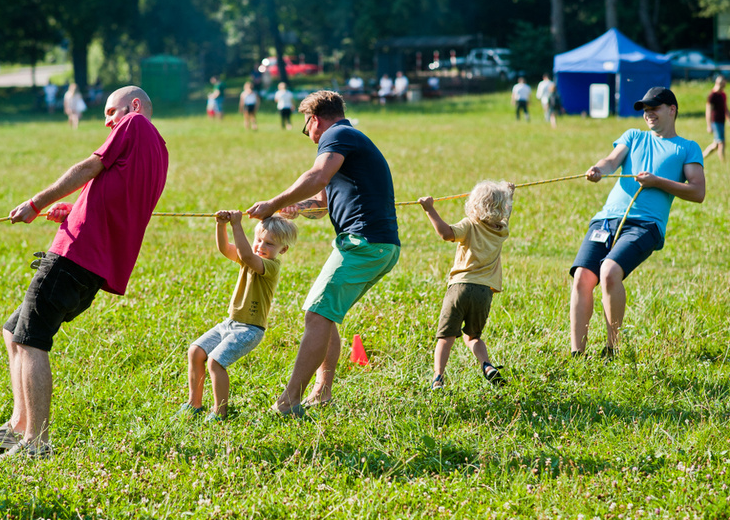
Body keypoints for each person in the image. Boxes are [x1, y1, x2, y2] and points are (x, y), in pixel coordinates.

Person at [0, 86, 169, 459]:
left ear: (135, 105)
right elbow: (118, 195)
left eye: (112, 111)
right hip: (94, 266)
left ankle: (37, 442)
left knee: (32, 339)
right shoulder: (159, 150)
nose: (108, 120)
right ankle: (17, 427)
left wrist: (36, 202)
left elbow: (89, 167)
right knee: (14, 332)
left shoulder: (136, 124)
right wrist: (74, 209)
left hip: (75, 257)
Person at [247, 90, 401, 417]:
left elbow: (317, 175)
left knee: (316, 315)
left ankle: (289, 401)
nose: (310, 136)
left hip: (364, 243)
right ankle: (322, 392)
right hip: (378, 245)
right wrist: (296, 207)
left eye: (307, 128)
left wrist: (272, 204)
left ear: (315, 119)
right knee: (325, 314)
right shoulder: (349, 142)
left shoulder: (337, 134)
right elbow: (323, 201)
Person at [569, 87, 705, 359]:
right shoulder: (633, 136)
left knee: (609, 271)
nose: (648, 113)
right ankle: (577, 354)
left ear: (672, 109)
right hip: (606, 219)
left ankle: (612, 349)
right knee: (583, 277)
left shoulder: (687, 147)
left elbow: (698, 191)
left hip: (645, 225)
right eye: (645, 109)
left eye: (654, 108)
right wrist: (599, 169)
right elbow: (611, 161)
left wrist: (658, 182)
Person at [174, 212, 297, 422]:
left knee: (215, 362)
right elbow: (225, 249)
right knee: (195, 351)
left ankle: (219, 413)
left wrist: (236, 225)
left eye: (269, 244)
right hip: (229, 323)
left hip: (250, 329)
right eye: (259, 240)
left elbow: (248, 256)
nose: (261, 246)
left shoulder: (270, 266)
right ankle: (194, 404)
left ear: (283, 250)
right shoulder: (248, 255)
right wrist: (221, 225)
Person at [417, 180, 515, 389]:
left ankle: (438, 377)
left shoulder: (470, 224)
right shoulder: (501, 230)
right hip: (484, 293)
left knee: (446, 337)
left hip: (460, 288)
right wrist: (510, 194)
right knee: (473, 337)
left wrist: (429, 209)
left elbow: (446, 233)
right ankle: (487, 366)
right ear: (501, 209)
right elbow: (506, 215)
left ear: (475, 205)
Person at [703, 75, 726, 162]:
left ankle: (701, 157)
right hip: (715, 121)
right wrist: (709, 125)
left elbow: (725, 108)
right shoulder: (712, 95)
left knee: (715, 145)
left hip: (722, 120)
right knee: (721, 142)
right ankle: (723, 162)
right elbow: (708, 111)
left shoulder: (723, 94)